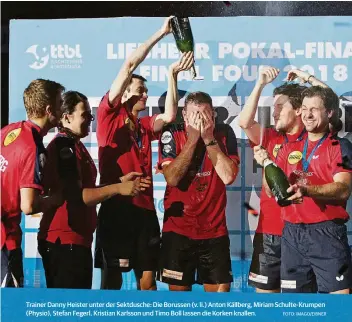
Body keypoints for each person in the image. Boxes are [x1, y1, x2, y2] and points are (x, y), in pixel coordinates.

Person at [94, 16, 195, 290]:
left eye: (147, 90)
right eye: (141, 90)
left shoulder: (142, 126)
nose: (146, 94)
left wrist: (172, 76)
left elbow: (171, 114)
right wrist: (161, 33)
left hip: (146, 212)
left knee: (148, 283)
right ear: (124, 91)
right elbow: (129, 65)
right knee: (112, 282)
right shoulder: (108, 115)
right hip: (118, 208)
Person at [37, 91, 151, 289]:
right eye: (85, 115)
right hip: (64, 241)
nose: (90, 119)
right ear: (66, 117)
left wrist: (118, 182)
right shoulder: (64, 146)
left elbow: (86, 189)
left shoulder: (75, 145)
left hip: (78, 240)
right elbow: (79, 197)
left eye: (91, 115)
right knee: (70, 310)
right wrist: (118, 188)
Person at [238, 67, 328, 293]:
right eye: (274, 106)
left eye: (280, 106)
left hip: (302, 234)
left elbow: (331, 102)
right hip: (268, 232)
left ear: (299, 110)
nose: (274, 112)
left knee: (296, 305)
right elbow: (244, 122)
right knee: (265, 304)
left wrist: (306, 78)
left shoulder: (314, 137)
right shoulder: (268, 136)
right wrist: (260, 84)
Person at [254, 86, 352, 294]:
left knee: (338, 306)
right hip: (292, 235)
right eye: (305, 108)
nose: (307, 115)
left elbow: (343, 189)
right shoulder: (288, 148)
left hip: (327, 235)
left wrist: (307, 190)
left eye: (314, 110)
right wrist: (267, 164)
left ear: (330, 113)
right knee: (294, 306)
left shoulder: (340, 146)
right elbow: (271, 191)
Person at [158, 91, 240, 292]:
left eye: (204, 115)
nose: (200, 120)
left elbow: (228, 177)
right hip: (178, 230)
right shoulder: (172, 133)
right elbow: (172, 178)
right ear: (184, 115)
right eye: (194, 115)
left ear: (212, 115)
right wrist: (193, 139)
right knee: (179, 306)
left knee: (218, 306)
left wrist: (208, 139)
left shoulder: (224, 133)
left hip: (214, 230)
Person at [1, 79, 65, 287]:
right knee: (9, 311)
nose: (62, 108)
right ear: (48, 109)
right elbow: (28, 206)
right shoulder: (32, 146)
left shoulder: (9, 130)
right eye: (59, 103)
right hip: (5, 241)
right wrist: (56, 199)